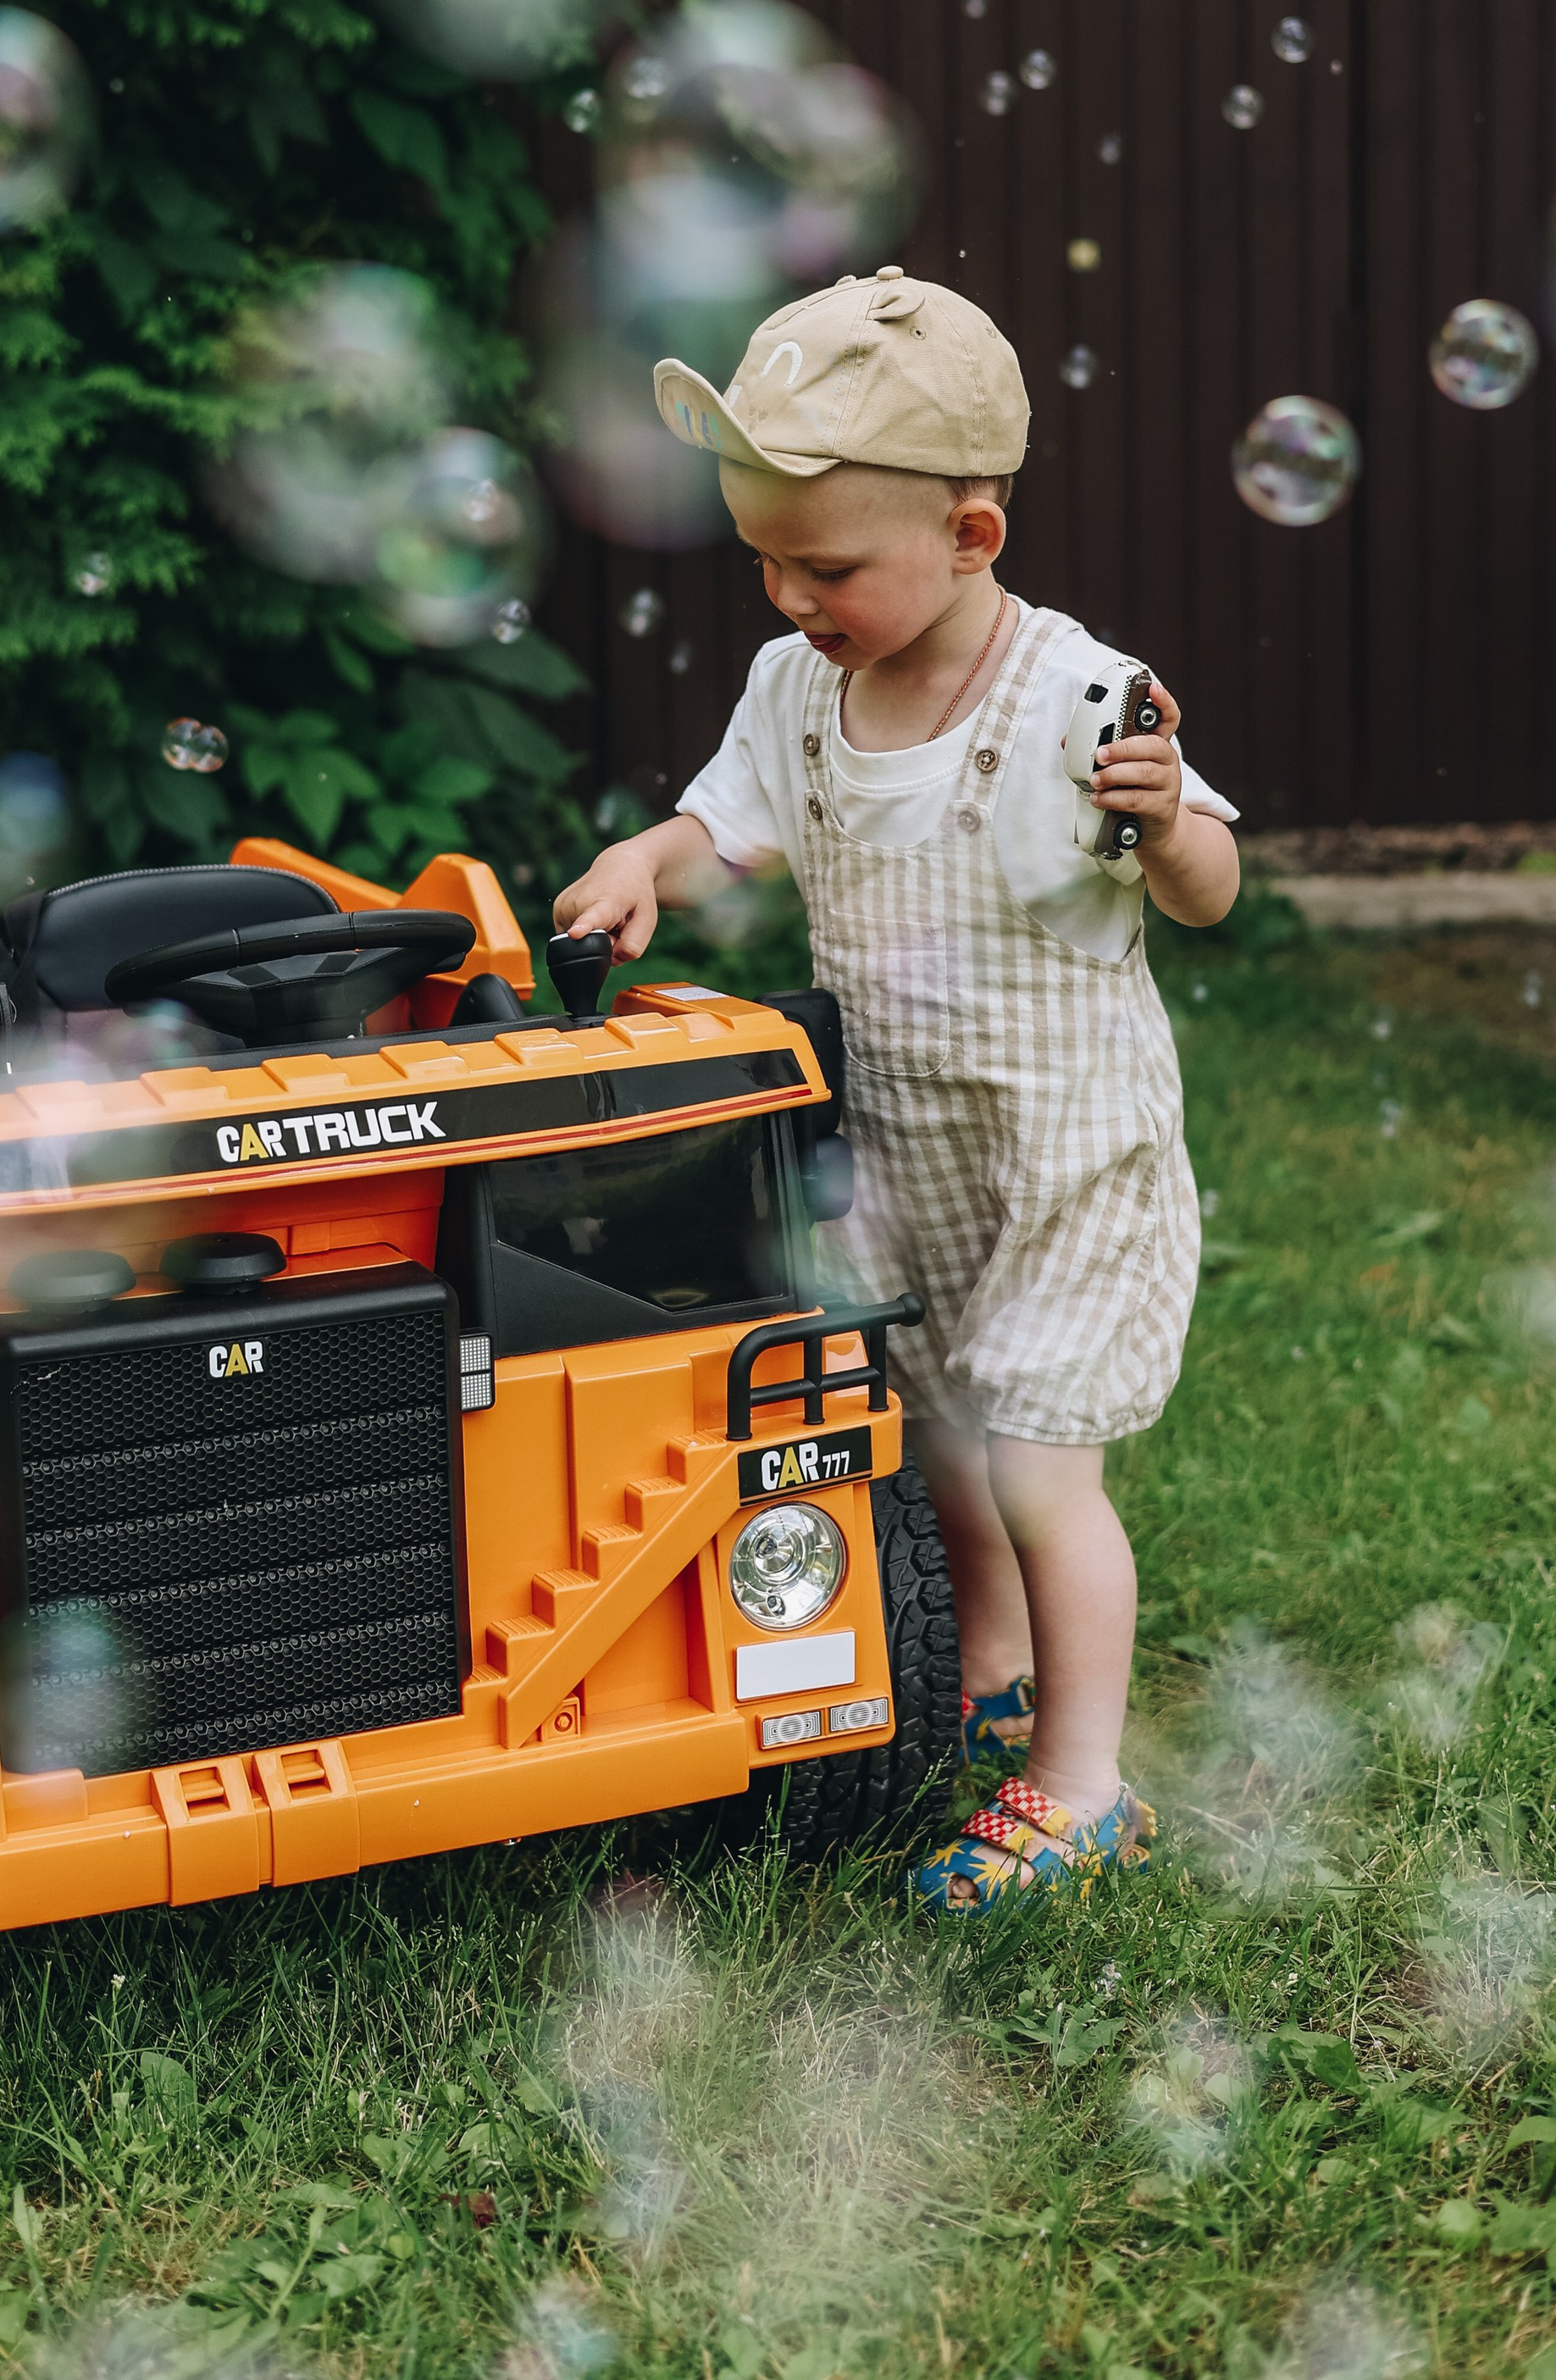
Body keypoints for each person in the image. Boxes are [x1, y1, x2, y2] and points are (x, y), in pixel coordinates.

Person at [551, 266, 1241, 1912]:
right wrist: (653, 857)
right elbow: (730, 823)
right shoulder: (802, 688)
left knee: (1031, 1462)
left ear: (969, 539)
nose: (791, 595)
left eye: (828, 565)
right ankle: (985, 1664)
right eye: (767, 561)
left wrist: (1159, 822)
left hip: (1064, 1149)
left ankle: (1078, 1787)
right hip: (905, 1141)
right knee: (929, 1421)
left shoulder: (1077, 695)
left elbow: (1210, 889)